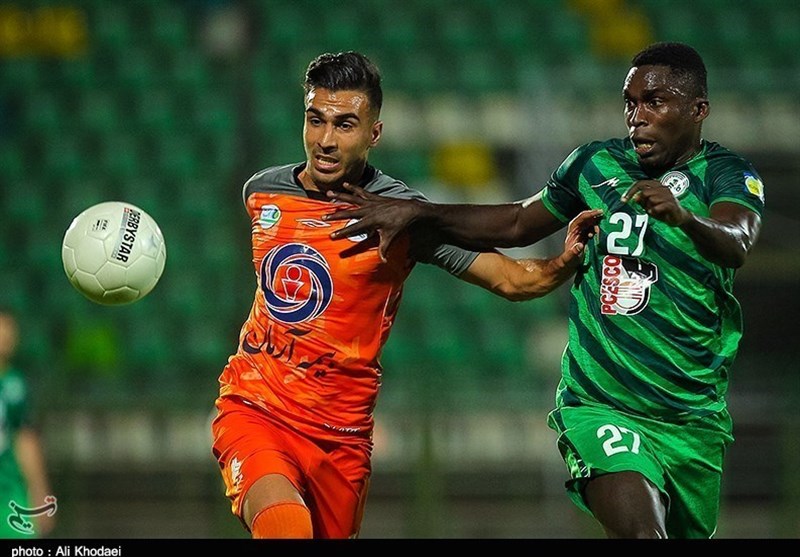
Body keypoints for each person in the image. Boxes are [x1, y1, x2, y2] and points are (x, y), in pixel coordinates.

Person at [324, 42, 764, 539]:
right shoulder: (594, 164)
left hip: (692, 418)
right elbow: (516, 223)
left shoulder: (728, 174)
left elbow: (737, 241)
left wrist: (684, 217)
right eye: (630, 102)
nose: (637, 117)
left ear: (698, 110)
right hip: (601, 405)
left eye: (655, 102)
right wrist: (421, 213)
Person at [210, 51, 601, 539]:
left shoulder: (400, 215)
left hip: (342, 436)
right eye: (316, 120)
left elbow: (512, 279)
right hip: (256, 408)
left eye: (345, 125)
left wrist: (564, 261)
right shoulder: (262, 192)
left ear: (373, 133)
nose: (326, 140)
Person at [0, 308, 56, 538]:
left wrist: (40, 494)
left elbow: (25, 440)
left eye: (10, 330)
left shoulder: (15, 384)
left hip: (8, 496)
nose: (6, 336)